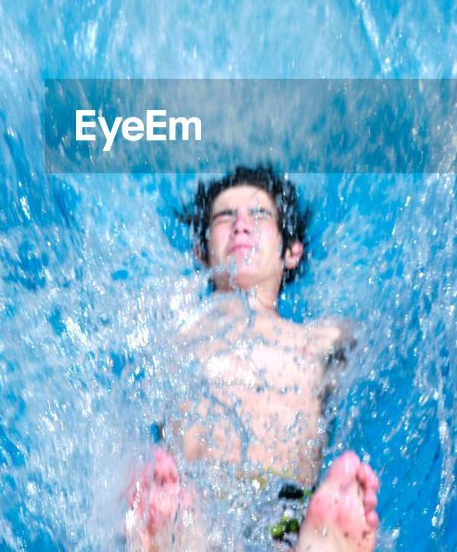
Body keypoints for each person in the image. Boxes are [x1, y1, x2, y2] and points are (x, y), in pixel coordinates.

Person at [125, 165, 381, 552]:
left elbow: (393, 340)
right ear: (201, 252)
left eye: (259, 215)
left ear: (291, 251)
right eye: (226, 217)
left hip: (286, 508)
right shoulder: (173, 329)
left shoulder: (323, 339)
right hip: (198, 497)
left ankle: (319, 542)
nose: (241, 226)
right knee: (159, 501)